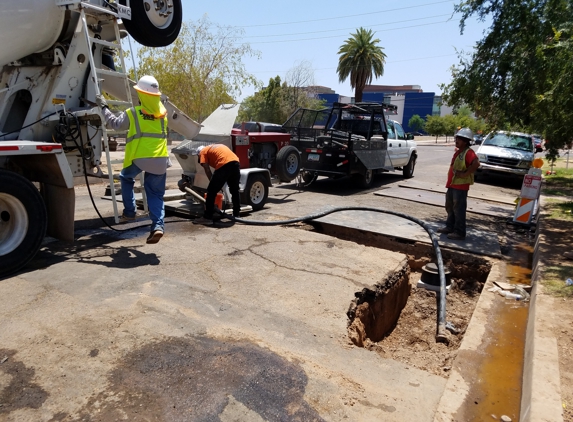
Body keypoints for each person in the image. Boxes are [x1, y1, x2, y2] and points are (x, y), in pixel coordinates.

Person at [96, 75, 169, 244]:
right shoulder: (163, 115)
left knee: (125, 177)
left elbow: (114, 124)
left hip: (139, 157)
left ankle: (130, 212)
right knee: (156, 194)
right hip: (160, 159)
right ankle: (158, 226)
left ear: (141, 95)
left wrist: (104, 108)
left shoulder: (133, 113)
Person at [437, 127, 480, 240]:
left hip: (460, 187)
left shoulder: (468, 152)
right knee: (450, 207)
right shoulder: (459, 152)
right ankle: (450, 227)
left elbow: (476, 163)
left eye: (459, 139)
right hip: (452, 184)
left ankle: (459, 232)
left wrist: (465, 174)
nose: (457, 141)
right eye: (456, 138)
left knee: (459, 209)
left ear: (466, 141)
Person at [193, 144, 241, 225]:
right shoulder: (213, 147)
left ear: (198, 154)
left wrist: (213, 184)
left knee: (211, 192)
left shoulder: (202, 152)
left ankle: (207, 217)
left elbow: (207, 169)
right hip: (235, 162)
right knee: (234, 190)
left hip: (224, 164)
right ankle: (236, 214)